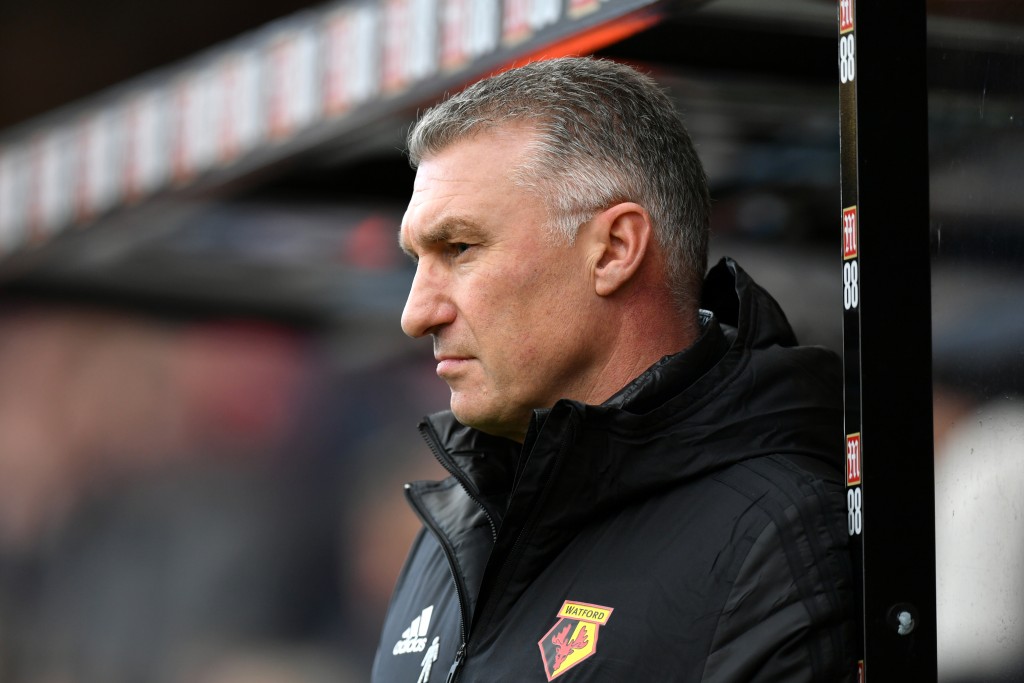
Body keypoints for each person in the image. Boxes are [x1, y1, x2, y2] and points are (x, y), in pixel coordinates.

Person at [373, 56, 856, 682]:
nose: (416, 314)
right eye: (416, 259)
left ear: (615, 250)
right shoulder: (454, 531)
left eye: (459, 248)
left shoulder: (773, 538)